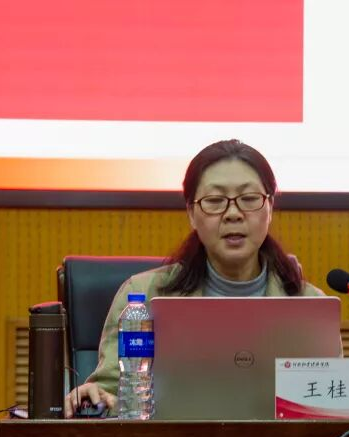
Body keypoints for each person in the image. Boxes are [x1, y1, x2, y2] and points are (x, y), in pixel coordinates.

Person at [63, 139, 328, 418]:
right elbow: (111, 391)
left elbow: (326, 403)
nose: (233, 214)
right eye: (215, 201)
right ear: (191, 213)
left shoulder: (310, 304)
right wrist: (96, 397)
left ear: (270, 207)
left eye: (249, 199)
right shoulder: (144, 296)